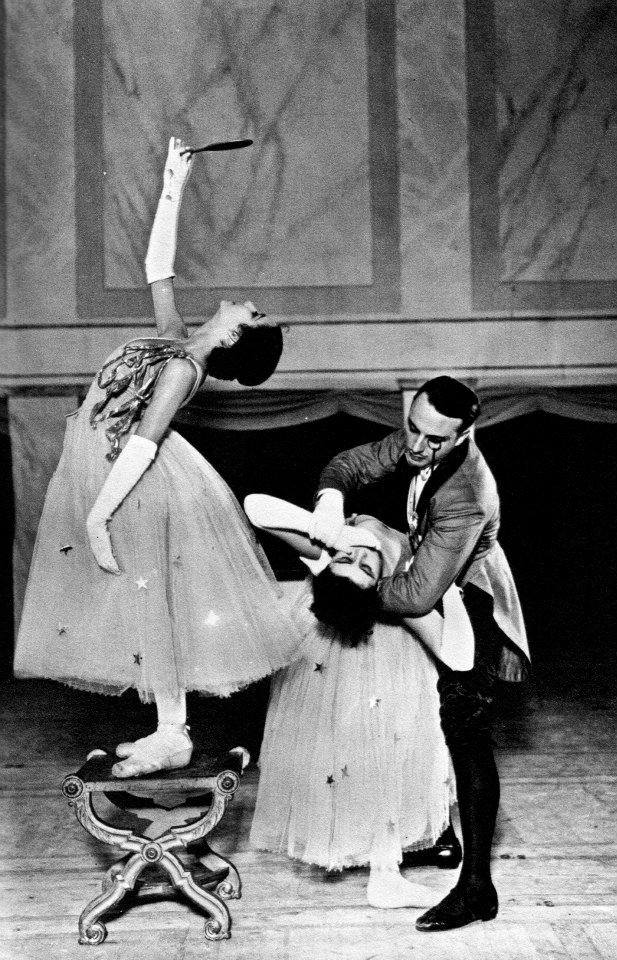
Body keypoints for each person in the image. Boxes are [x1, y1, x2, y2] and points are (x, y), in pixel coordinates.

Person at [14, 138, 302, 778]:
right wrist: (175, 181)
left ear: (234, 334)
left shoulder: (185, 367)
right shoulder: (175, 338)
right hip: (106, 461)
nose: (242, 301)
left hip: (134, 477)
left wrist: (97, 515)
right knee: (144, 600)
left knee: (152, 598)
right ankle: (169, 727)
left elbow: (143, 439)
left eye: (250, 311)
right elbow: (157, 269)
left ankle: (174, 729)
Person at [308, 377, 530, 931]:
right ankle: (442, 840)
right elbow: (348, 465)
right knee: (424, 721)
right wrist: (332, 498)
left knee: (465, 727)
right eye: (414, 429)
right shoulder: (418, 435)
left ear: (464, 434)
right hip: (436, 586)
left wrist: (346, 577)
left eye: (435, 441)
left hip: (475, 603)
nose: (417, 448)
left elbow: (414, 595)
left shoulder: (466, 494)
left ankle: (477, 888)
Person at [244, 494, 474, 909]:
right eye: (365, 567)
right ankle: (386, 877)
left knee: (379, 752)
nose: (358, 556)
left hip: (365, 652)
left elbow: (255, 505)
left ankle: (383, 870)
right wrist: (449, 588)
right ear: (378, 587)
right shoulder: (399, 590)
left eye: (345, 562)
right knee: (374, 753)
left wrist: (338, 537)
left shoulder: (331, 551)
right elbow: (458, 655)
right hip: (371, 663)